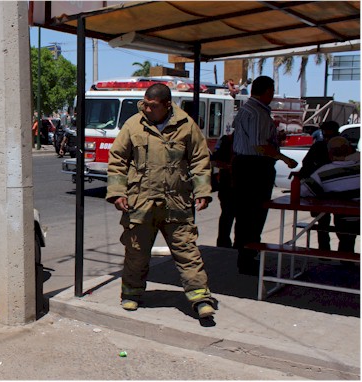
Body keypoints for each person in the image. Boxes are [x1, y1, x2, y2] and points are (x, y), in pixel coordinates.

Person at [106, 83, 217, 319]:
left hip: (176, 204)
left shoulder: (186, 126)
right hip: (140, 202)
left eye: (152, 106)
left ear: (167, 105)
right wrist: (117, 192)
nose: (146, 109)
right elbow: (117, 159)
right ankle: (131, 294)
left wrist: (203, 191)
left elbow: (200, 159)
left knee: (187, 252)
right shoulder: (133, 125)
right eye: (144, 104)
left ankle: (200, 298)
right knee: (136, 252)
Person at [231, 76, 298, 275]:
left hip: (245, 165)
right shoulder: (258, 113)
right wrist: (284, 158)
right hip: (255, 167)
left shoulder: (246, 110)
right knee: (254, 214)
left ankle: (245, 253)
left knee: (245, 214)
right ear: (268, 90)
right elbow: (260, 146)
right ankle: (248, 257)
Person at [300, 136, 360, 254]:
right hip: (354, 219)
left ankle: (344, 259)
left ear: (330, 153)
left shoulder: (323, 172)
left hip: (344, 221)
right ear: (349, 150)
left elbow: (303, 191)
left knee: (344, 229)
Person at [297, 121, 341, 250]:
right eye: (325, 135)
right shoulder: (320, 146)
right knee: (324, 224)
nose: (327, 138)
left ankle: (336, 254)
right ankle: (325, 251)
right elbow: (307, 165)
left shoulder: (341, 146)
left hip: (335, 191)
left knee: (338, 226)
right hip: (324, 191)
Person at [211, 132, 235, 248]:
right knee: (227, 215)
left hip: (243, 185)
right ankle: (223, 244)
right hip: (227, 184)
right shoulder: (227, 140)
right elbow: (215, 160)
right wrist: (228, 167)